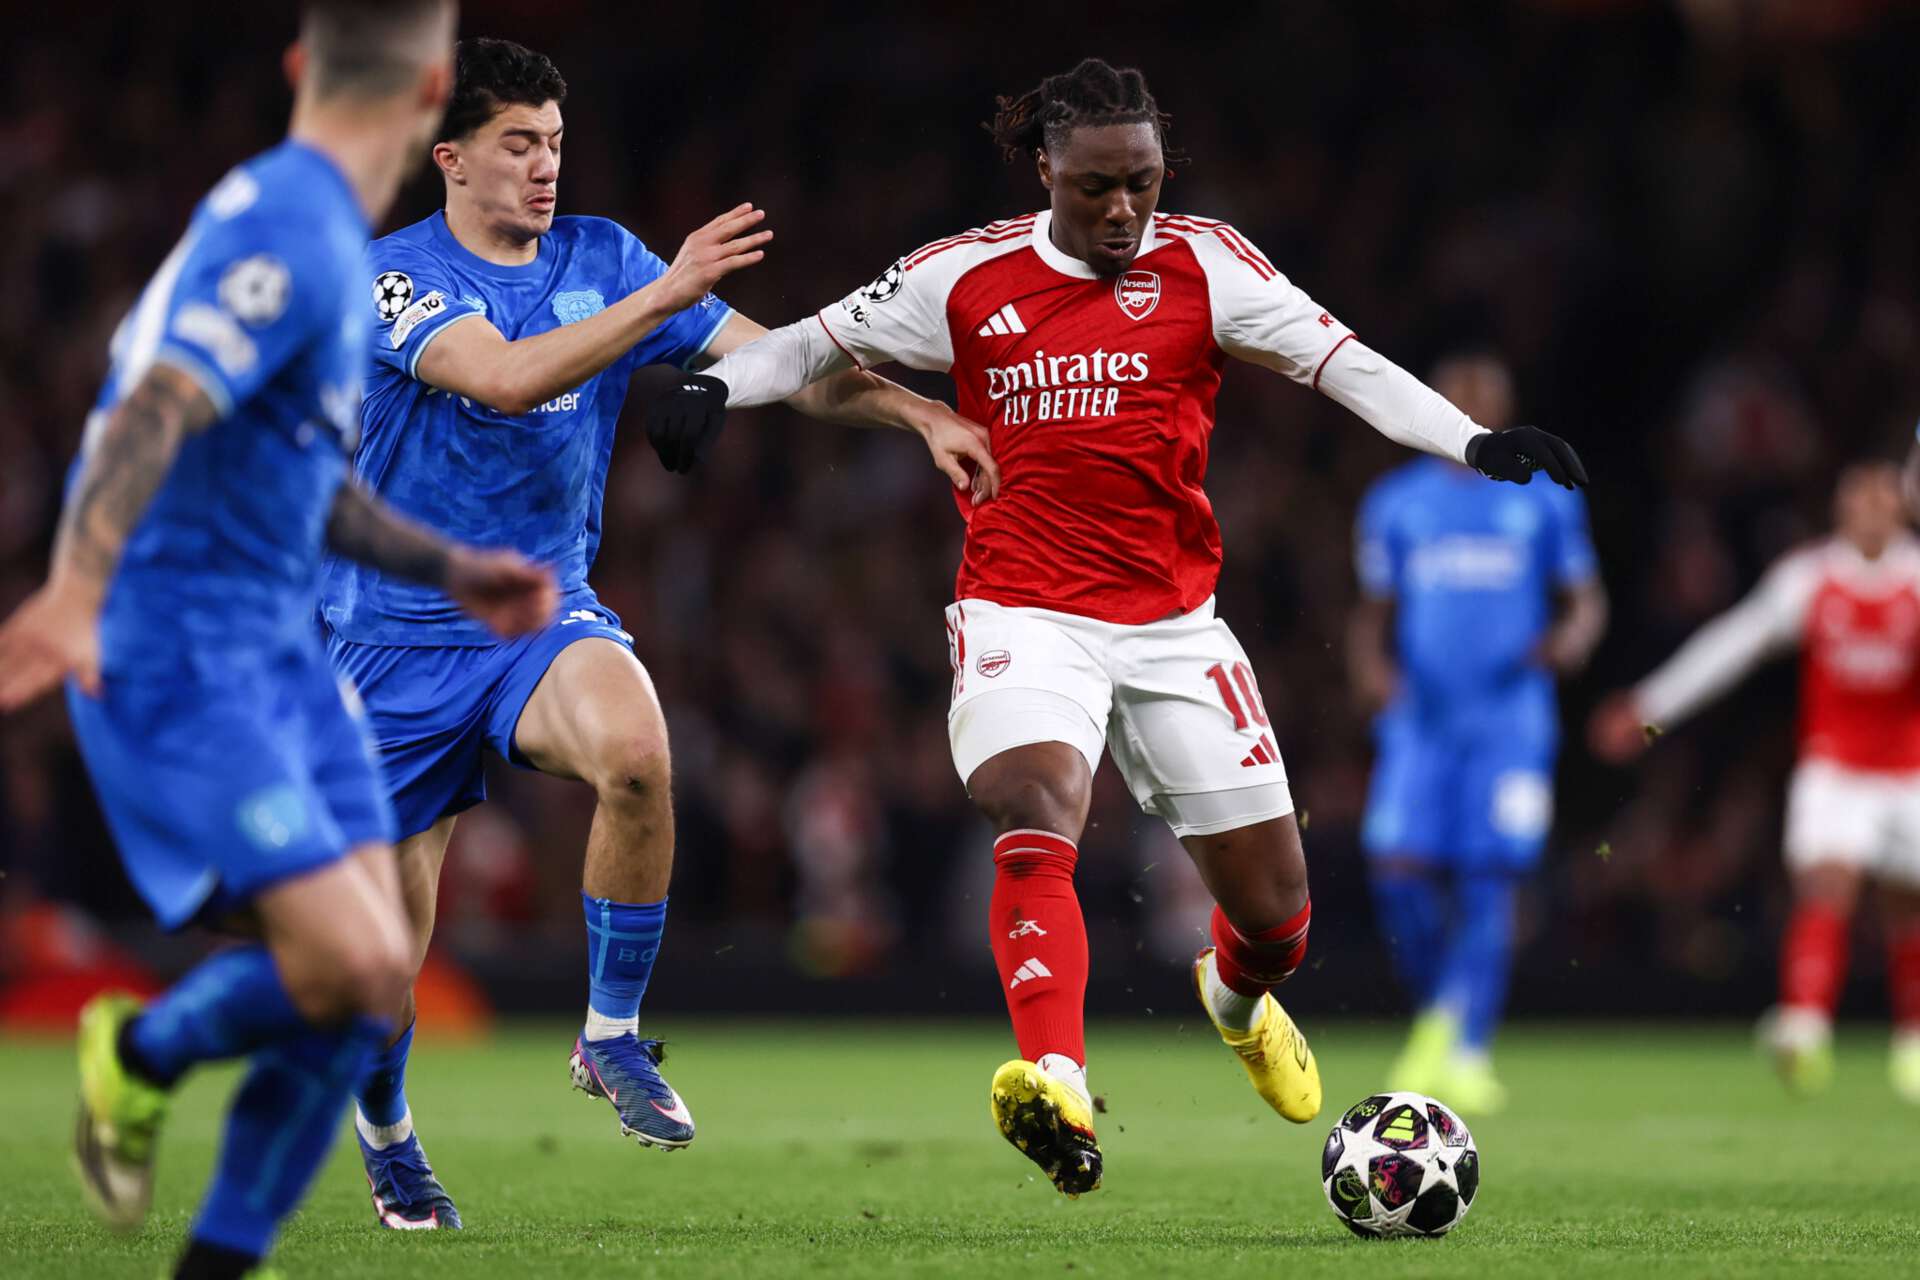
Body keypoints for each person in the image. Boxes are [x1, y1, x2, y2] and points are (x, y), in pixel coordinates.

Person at [652, 57, 1588, 1195]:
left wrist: (1471, 442)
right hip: (1022, 604)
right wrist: (716, 386)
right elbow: (813, 341)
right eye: (1096, 186)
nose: (1122, 210)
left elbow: (1344, 363)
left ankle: (1234, 999)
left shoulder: (1209, 263)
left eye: (1141, 182)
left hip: (1175, 625)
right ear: (1045, 171)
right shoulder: (963, 276)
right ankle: (1058, 1079)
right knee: (1035, 798)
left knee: (1277, 916)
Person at [316, 37, 999, 1229]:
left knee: (637, 753)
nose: (544, 166)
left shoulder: (603, 257)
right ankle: (388, 1134)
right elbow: (504, 378)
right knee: (381, 962)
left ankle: (611, 1033)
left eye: (555, 143)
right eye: (518, 144)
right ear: (451, 157)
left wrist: (916, 412)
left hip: (537, 612)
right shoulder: (392, 277)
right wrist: (664, 297)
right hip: (393, 639)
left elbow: (784, 364)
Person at [0, 4, 563, 1275]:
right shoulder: (293, 229)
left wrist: (448, 566)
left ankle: (162, 1115)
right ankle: (140, 1049)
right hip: (180, 653)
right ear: (434, 91)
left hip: (286, 660)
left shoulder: (321, 239)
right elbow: (156, 405)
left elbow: (299, 473)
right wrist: (77, 588)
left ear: (303, 65)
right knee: (354, 959)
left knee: (372, 982)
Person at [1591, 462, 1920, 1103]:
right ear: (1840, 509)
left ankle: (1912, 1042)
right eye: (1858, 500)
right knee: (1827, 881)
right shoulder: (1811, 577)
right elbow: (1732, 644)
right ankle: (1805, 1029)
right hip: (1834, 768)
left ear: (1901, 508)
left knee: (1907, 906)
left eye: (1882, 501)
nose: (1871, 512)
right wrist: (1650, 705)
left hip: (1909, 770)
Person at [1348, 352, 1606, 1114]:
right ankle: (1441, 1014)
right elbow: (1371, 612)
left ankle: (1466, 1051)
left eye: (1484, 397)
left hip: (1511, 722)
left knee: (1489, 880)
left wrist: (1571, 641)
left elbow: (1585, 599)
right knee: (1396, 869)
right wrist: (1372, 672)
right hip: (1421, 721)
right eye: (1457, 397)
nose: (1471, 408)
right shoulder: (1397, 502)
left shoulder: (1543, 497)